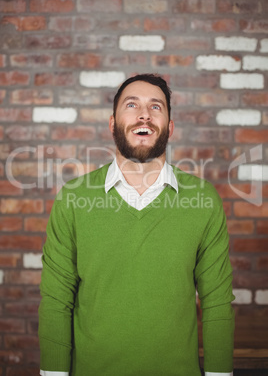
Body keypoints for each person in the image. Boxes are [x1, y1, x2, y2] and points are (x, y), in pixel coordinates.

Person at [39, 73, 235, 376]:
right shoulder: (74, 199)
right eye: (132, 105)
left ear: (169, 127)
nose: (144, 113)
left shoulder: (204, 200)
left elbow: (217, 303)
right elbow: (56, 300)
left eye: (156, 107)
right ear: (112, 124)